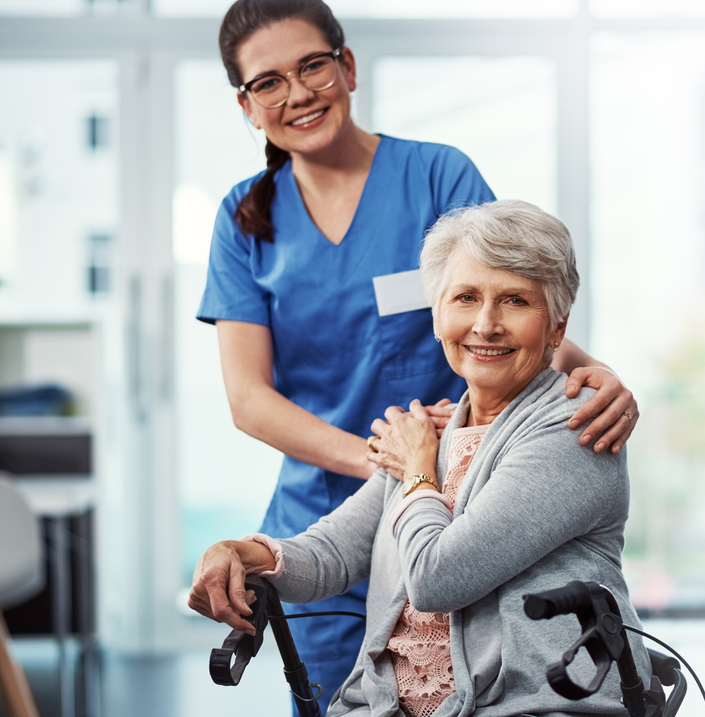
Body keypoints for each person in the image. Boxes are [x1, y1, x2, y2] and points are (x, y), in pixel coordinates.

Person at [197, 0, 639, 710]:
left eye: (313, 65)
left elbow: (506, 292)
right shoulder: (243, 217)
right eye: (268, 82)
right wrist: (396, 465)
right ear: (248, 107)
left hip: (466, 488)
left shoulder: (435, 177)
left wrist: (598, 376)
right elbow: (249, 400)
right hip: (349, 491)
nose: (298, 93)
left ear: (347, 67)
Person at [190, 200, 650, 717]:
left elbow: (438, 579)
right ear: (437, 317)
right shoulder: (438, 431)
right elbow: (333, 555)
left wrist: (414, 468)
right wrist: (243, 552)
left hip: (525, 705)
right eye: (465, 298)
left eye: (515, 301)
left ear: (558, 327)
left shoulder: (572, 428)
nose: (486, 324)